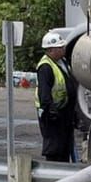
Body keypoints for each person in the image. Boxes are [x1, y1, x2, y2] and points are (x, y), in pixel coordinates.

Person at [35, 28, 78, 163]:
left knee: (65, 146)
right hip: (52, 114)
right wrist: (51, 111)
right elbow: (44, 93)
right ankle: (53, 172)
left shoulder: (62, 62)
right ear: (50, 50)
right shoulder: (45, 67)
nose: (63, 48)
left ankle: (63, 170)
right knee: (54, 147)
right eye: (60, 47)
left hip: (63, 111)